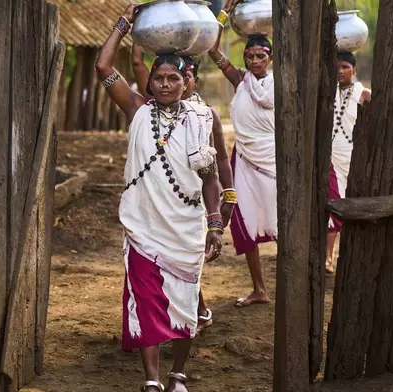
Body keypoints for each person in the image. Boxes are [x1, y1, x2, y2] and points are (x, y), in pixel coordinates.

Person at [95, 4, 223, 391]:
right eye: (159, 78)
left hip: (186, 226)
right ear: (149, 82)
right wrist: (124, 24)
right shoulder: (136, 109)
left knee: (184, 300)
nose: (165, 84)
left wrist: (215, 224)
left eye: (173, 78)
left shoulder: (200, 120)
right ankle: (152, 380)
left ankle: (178, 373)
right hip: (144, 227)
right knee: (146, 300)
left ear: (186, 83)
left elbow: (211, 178)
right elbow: (103, 68)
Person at [131, 45, 235, 332]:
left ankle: (190, 314)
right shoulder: (150, 110)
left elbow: (221, 161)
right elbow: (137, 64)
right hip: (154, 198)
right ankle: (156, 322)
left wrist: (230, 194)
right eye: (163, 78)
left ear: (192, 81)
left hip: (193, 198)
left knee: (186, 257)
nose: (173, 83)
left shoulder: (203, 115)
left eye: (183, 76)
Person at [208, 12, 276, 307]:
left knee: (284, 223)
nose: (254, 61)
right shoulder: (240, 80)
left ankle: (293, 286)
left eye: (260, 55)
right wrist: (223, 14)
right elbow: (212, 49)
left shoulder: (282, 84)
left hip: (275, 162)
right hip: (245, 160)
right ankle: (259, 289)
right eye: (249, 56)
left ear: (270, 58)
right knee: (245, 223)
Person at [326, 51, 371, 274]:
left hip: (352, 157)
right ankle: (327, 256)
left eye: (345, 66)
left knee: (350, 203)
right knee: (334, 201)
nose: (340, 71)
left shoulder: (363, 94)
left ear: (354, 69)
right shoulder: (327, 92)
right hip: (331, 157)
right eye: (337, 67)